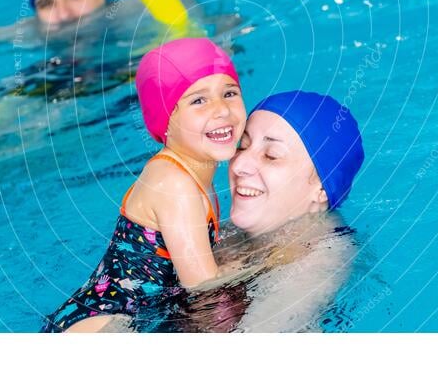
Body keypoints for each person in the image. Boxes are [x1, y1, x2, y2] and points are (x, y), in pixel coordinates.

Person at [40, 38, 247, 333]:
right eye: (198, 100)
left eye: (229, 93)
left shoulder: (197, 176)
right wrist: (263, 261)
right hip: (100, 328)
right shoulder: (175, 183)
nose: (222, 110)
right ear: (165, 120)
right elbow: (203, 285)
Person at [152, 90, 365, 332]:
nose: (239, 165)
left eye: (271, 156)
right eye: (242, 146)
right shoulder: (233, 234)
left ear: (321, 189)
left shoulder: (319, 259)